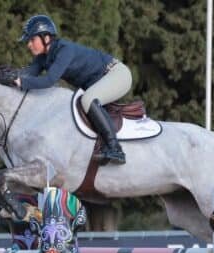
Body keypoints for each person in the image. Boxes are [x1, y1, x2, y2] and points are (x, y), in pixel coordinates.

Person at [12, 14, 131, 165]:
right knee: (84, 100)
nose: (29, 44)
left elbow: (48, 80)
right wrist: (7, 76)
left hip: (117, 74)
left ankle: (115, 148)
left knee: (87, 99)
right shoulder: (43, 57)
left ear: (46, 38)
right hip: (100, 81)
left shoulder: (64, 50)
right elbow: (28, 74)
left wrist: (20, 81)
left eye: (32, 39)